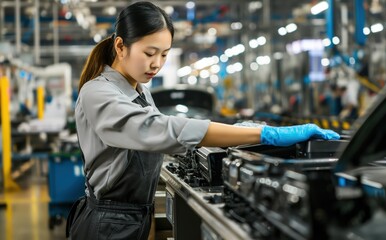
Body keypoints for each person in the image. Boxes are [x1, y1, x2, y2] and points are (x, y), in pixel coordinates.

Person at [66, 1, 340, 239]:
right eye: (149, 53)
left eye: (164, 54)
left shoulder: (141, 92)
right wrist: (264, 134)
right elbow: (159, 129)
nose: (157, 64)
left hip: (134, 218)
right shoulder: (97, 93)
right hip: (106, 225)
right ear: (120, 46)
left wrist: (243, 134)